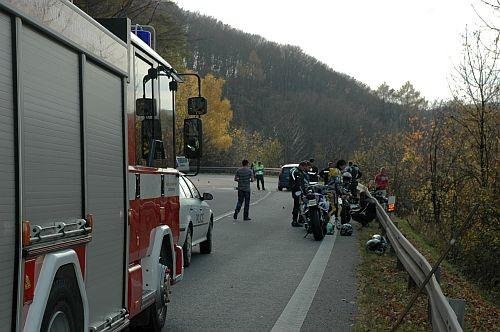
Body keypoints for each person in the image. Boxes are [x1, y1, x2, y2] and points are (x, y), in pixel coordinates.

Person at [290, 161, 309, 227]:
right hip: (296, 191)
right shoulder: (295, 171)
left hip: (301, 191)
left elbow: (304, 182)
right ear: (301, 166)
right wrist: (296, 185)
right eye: (304, 167)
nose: (304, 169)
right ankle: (294, 221)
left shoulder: (301, 172)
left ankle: (301, 219)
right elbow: (295, 180)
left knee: (302, 205)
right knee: (297, 205)